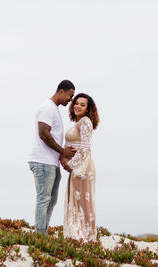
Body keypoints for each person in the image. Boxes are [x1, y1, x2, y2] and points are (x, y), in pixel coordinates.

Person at [28, 80, 77, 234]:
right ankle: (40, 236)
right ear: (61, 91)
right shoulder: (47, 108)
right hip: (42, 161)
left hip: (50, 162)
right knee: (44, 199)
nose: (71, 100)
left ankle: (42, 233)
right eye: (70, 95)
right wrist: (62, 151)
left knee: (52, 200)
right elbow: (43, 134)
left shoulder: (54, 109)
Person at [60, 93, 99, 242]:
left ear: (88, 109)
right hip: (77, 168)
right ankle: (76, 236)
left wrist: (70, 165)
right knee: (77, 203)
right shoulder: (78, 123)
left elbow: (85, 149)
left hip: (83, 169)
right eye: (76, 103)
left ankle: (85, 238)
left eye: (83, 105)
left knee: (83, 204)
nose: (78, 106)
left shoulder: (85, 122)